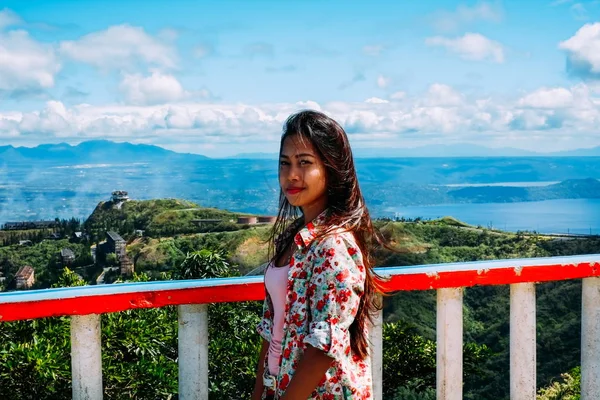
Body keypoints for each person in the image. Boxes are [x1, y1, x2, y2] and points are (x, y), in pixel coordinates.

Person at [252, 110, 386, 400]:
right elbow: (272, 327)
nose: (292, 175)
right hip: (280, 387)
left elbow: (325, 347)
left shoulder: (332, 245)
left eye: (305, 163)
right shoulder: (297, 238)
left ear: (331, 168)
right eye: (285, 163)